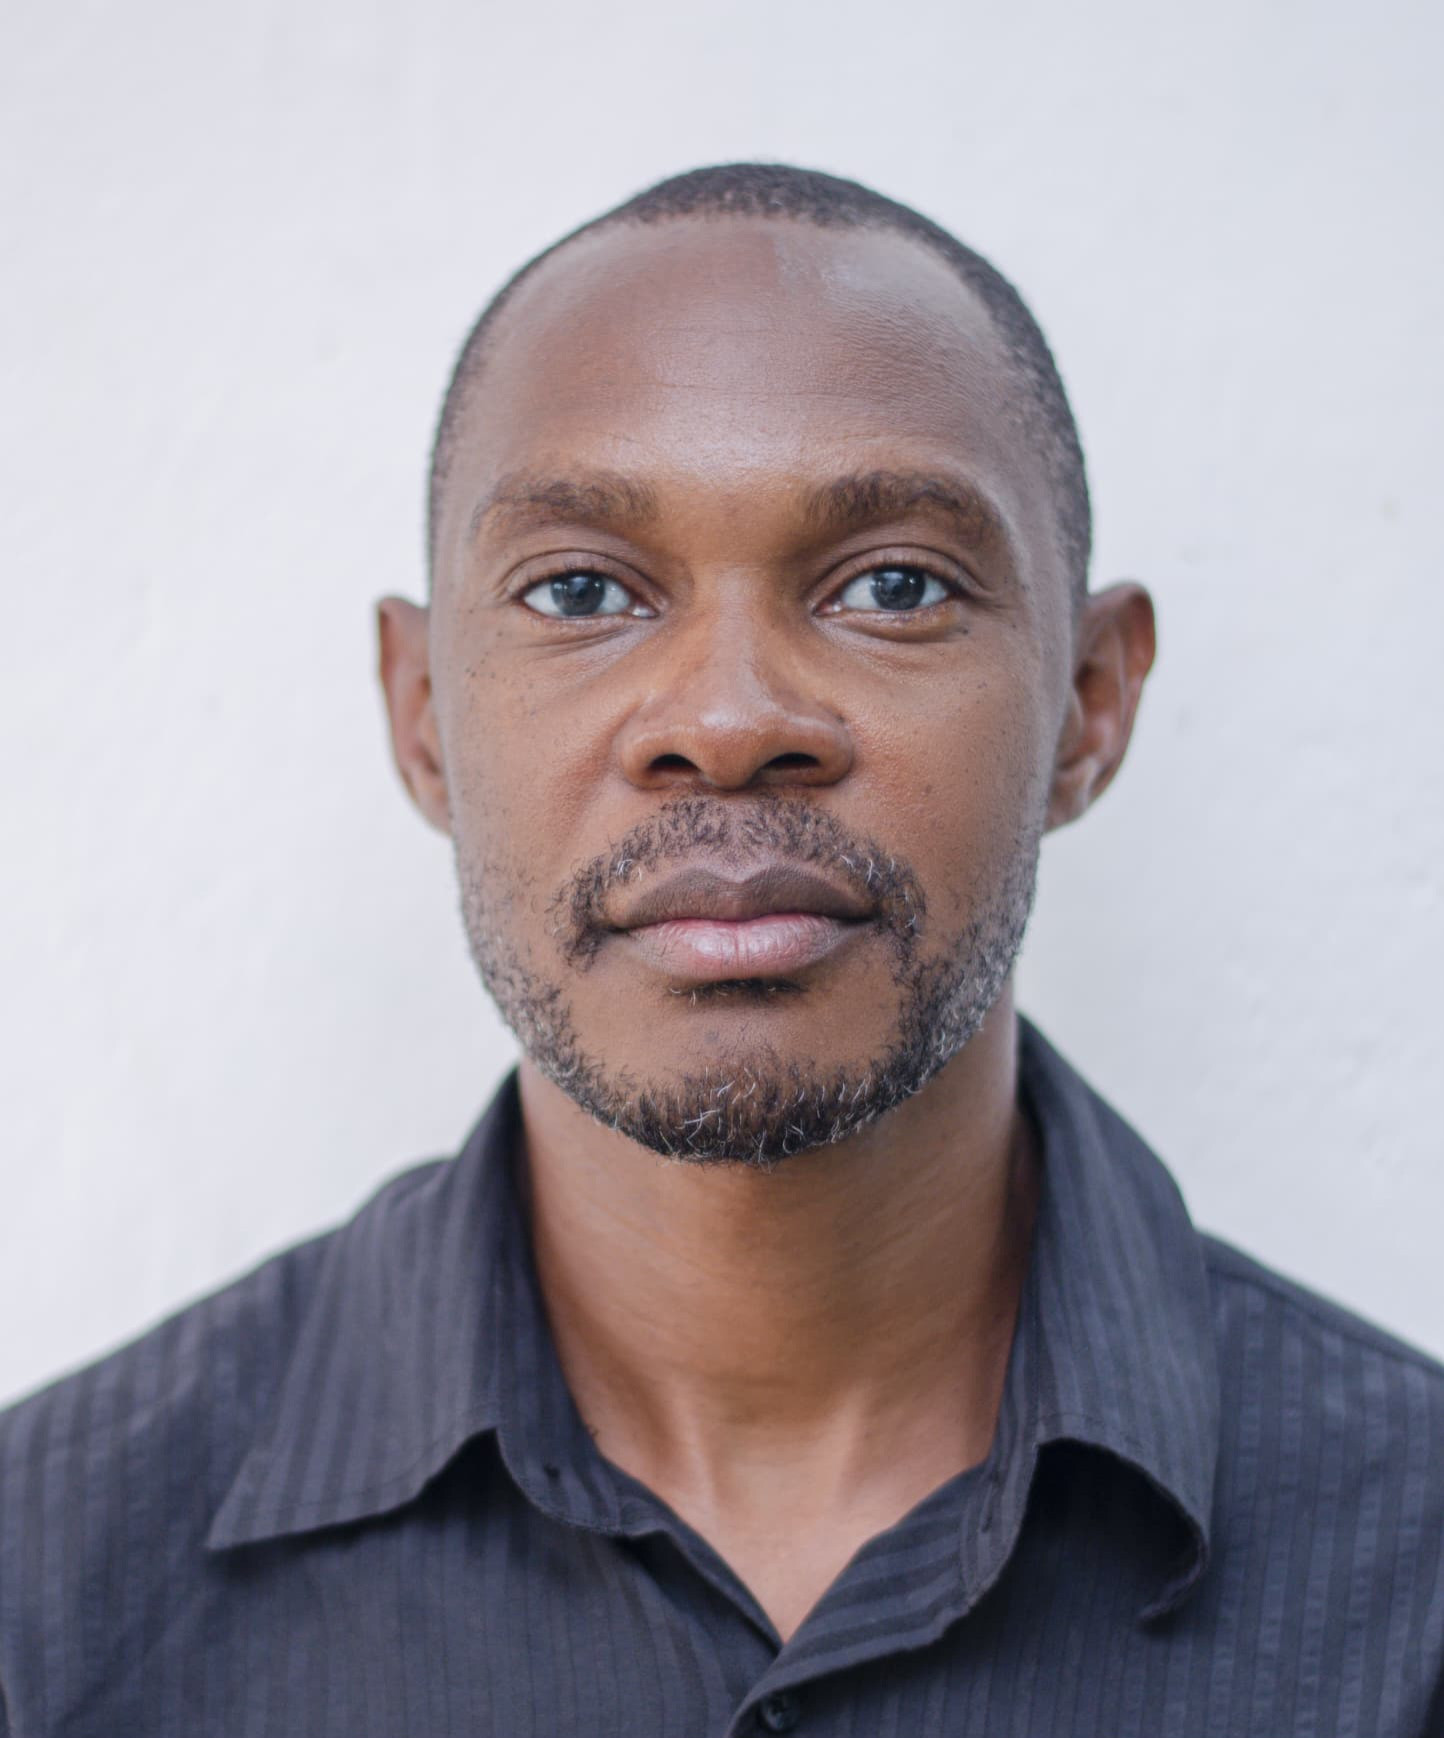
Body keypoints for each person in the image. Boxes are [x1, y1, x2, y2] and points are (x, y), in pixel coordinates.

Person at [1, 163, 1439, 1738]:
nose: (730, 718)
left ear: (1089, 704)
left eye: (893, 586)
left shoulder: (1411, 1575)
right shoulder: (47, 1593)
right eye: (582, 590)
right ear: (423, 718)